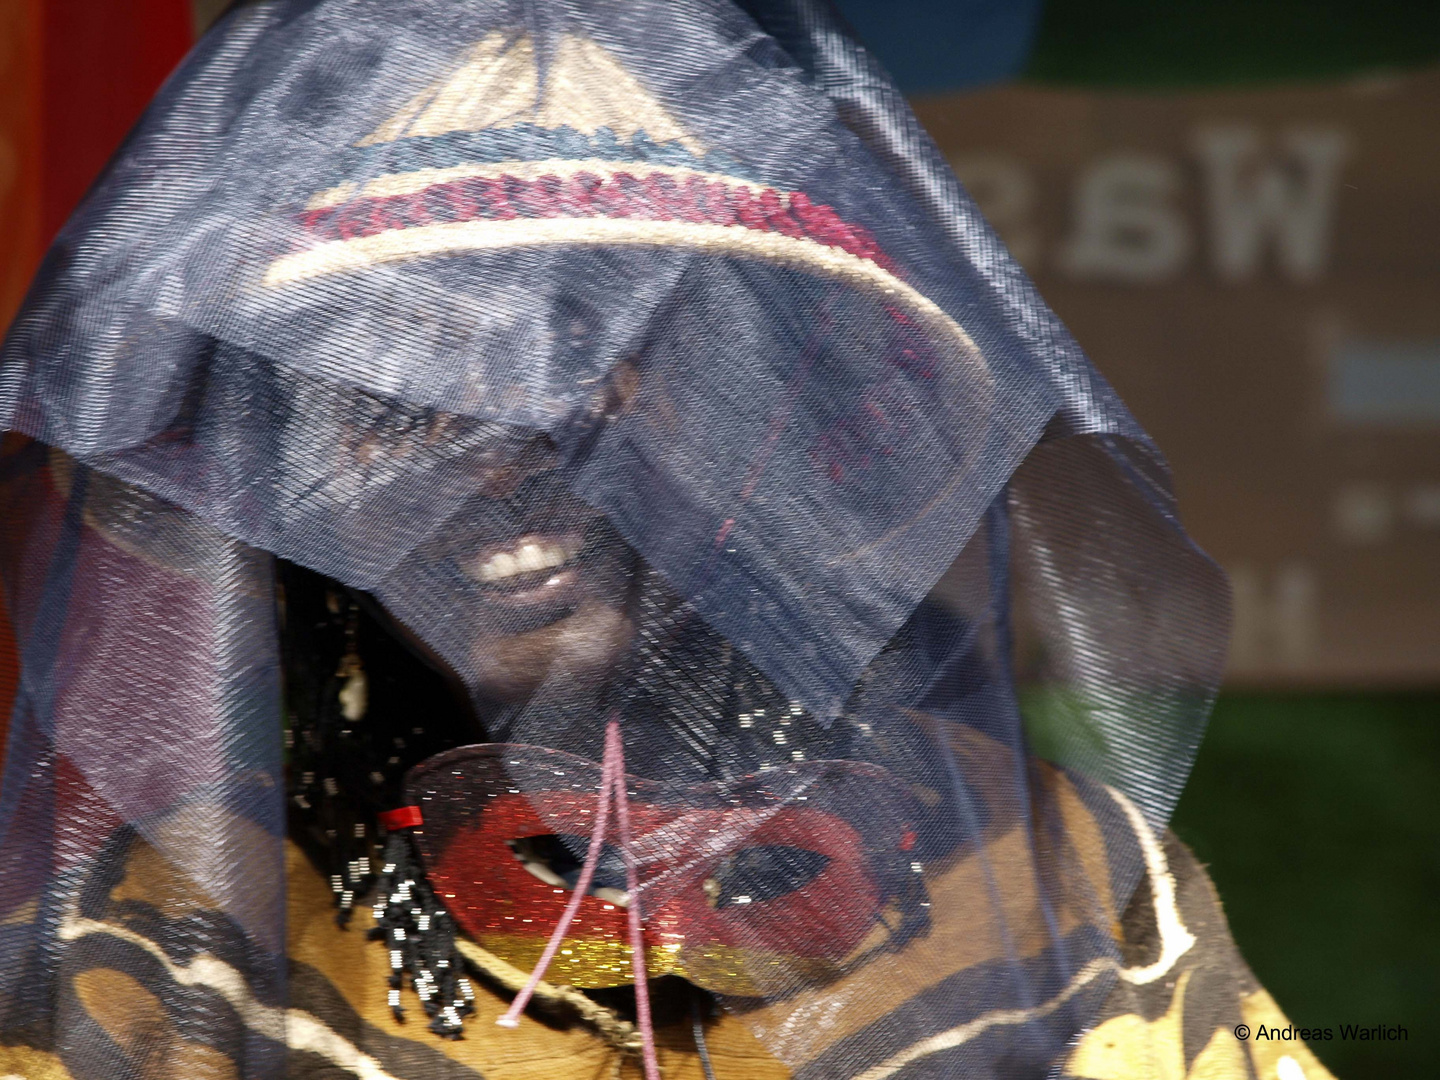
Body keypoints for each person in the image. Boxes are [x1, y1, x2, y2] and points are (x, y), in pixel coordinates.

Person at [0, 2, 1337, 1078]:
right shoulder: (167, 934)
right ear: (288, 473)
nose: (517, 460)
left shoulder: (1063, 878)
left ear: (764, 415)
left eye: (618, 367)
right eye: (410, 393)